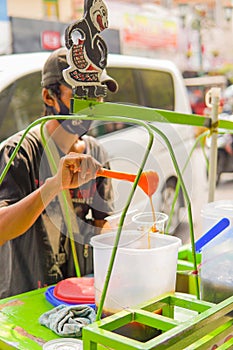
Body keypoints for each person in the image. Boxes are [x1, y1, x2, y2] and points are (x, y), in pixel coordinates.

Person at [0, 47, 118, 298]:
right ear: (49, 96)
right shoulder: (20, 152)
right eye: (82, 94)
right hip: (25, 300)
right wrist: (54, 185)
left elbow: (102, 223)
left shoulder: (96, 154)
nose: (93, 105)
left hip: (78, 298)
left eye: (97, 94)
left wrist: (127, 237)